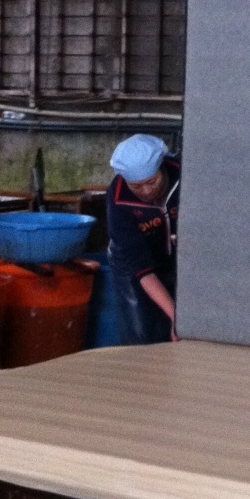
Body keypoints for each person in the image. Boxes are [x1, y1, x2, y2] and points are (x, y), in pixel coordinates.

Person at [106, 134, 179, 344]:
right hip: (134, 265)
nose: (146, 191)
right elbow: (142, 269)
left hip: (179, 258)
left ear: (161, 167)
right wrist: (175, 317)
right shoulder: (118, 200)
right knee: (142, 336)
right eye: (136, 186)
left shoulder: (184, 176)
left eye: (152, 182)